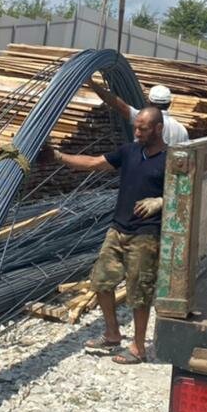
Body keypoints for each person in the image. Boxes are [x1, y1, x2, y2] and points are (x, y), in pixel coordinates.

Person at [40, 105, 167, 364]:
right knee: (100, 281)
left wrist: (161, 201)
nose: (137, 133)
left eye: (143, 129)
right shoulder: (130, 151)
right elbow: (94, 162)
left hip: (145, 235)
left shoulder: (171, 159)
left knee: (139, 292)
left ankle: (138, 348)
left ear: (158, 129)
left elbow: (188, 191)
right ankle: (112, 333)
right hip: (117, 229)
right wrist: (57, 156)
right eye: (136, 127)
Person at [91, 79, 190, 145]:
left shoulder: (142, 119)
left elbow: (120, 106)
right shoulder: (181, 129)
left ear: (148, 102)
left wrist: (91, 83)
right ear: (169, 104)